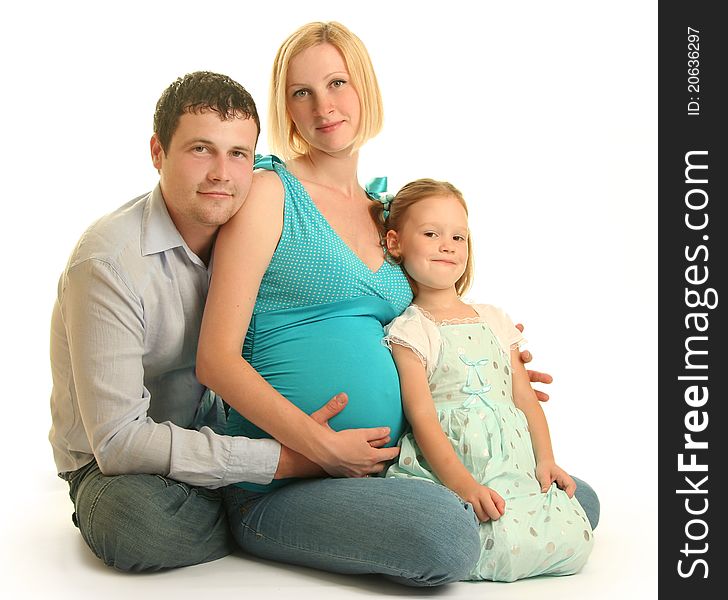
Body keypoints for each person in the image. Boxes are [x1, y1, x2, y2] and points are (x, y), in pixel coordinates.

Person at [196, 21, 598, 586]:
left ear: (365, 88)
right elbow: (215, 360)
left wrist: (488, 366)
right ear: (285, 108)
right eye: (301, 92)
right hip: (285, 480)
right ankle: (258, 524)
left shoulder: (386, 212)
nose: (323, 106)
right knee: (446, 538)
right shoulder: (270, 194)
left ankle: (483, 514)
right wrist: (323, 448)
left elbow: (424, 327)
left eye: (337, 83)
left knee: (578, 497)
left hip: (390, 467)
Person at [48, 70, 355, 572]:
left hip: (220, 432)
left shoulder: (256, 230)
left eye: (238, 155)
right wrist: (283, 462)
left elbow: (340, 296)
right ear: (157, 153)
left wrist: (474, 336)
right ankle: (255, 511)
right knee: (137, 527)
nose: (221, 173)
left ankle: (247, 503)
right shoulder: (107, 264)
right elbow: (119, 442)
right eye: (200, 150)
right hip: (118, 466)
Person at [372, 178, 595, 582]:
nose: (448, 245)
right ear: (395, 242)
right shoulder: (411, 330)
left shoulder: (494, 318)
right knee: (478, 537)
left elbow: (525, 400)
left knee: (574, 534)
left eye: (458, 236)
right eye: (431, 234)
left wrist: (545, 459)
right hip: (454, 461)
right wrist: (463, 485)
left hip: (511, 456)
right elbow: (422, 418)